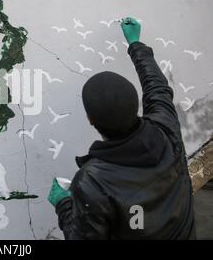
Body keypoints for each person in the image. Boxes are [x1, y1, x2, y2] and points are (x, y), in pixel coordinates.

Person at [47, 17, 196, 239]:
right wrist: (136, 44)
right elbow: (157, 88)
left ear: (89, 119)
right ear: (137, 105)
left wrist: (63, 204)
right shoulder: (166, 129)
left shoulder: (92, 181)